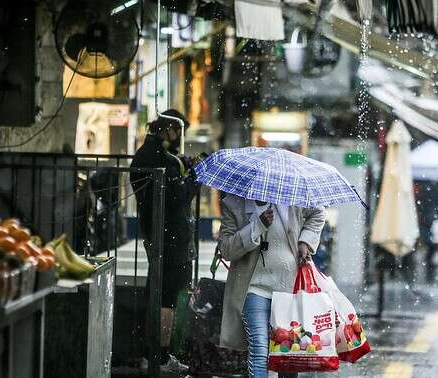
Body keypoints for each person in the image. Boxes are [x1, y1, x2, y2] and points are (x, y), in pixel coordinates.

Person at [217, 194, 325, 378]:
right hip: (253, 287)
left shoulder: (293, 198)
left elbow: (318, 213)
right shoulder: (233, 204)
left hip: (288, 288)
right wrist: (257, 226)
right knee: (259, 348)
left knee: (289, 353)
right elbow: (226, 249)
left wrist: (304, 242)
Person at [130, 109, 200, 373]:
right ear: (169, 130)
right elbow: (177, 197)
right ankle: (159, 358)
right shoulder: (161, 159)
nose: (180, 138)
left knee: (158, 294)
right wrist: (194, 176)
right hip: (171, 239)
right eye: (179, 132)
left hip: (157, 235)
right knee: (167, 300)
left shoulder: (146, 154)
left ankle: (152, 355)